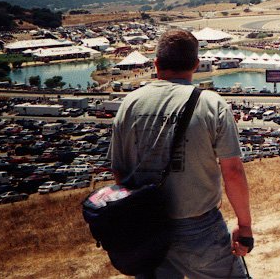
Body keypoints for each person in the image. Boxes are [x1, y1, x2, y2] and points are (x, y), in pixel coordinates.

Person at [108, 29, 252, 279]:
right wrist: (245, 226)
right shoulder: (211, 104)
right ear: (196, 65)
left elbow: (119, 172)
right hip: (199, 228)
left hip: (146, 228)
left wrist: (138, 217)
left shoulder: (129, 103)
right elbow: (233, 171)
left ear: (155, 64)